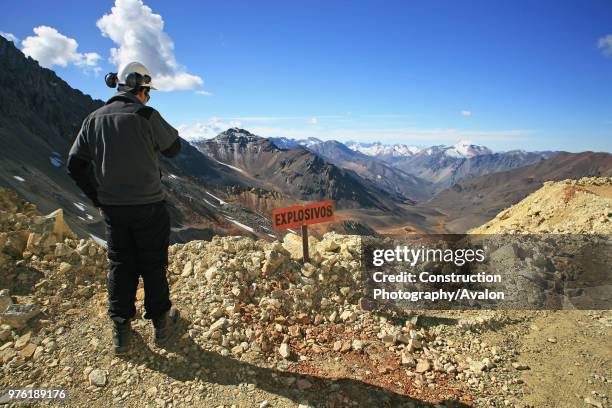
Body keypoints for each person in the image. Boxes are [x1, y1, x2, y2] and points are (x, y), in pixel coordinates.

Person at [67, 62, 181, 354]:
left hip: (114, 210)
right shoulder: (146, 115)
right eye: (148, 92)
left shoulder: (93, 119)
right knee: (153, 265)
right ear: (140, 90)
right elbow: (173, 148)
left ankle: (122, 333)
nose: (149, 97)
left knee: (120, 266)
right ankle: (161, 327)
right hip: (149, 207)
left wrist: (97, 197)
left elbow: (75, 164)